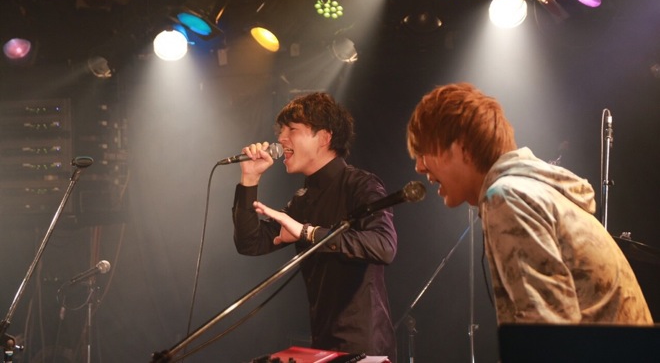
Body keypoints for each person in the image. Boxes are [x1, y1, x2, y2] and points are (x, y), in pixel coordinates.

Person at [406, 82, 653, 325]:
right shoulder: (531, 191)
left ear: (463, 148)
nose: (419, 167)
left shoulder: (508, 198)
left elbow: (547, 335)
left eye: (424, 152)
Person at [231, 92, 398, 360]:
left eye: (292, 129)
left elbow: (384, 246)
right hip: (323, 341)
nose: (281, 138)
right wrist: (249, 179)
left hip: (364, 346)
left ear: (324, 137)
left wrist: (306, 232)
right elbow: (250, 242)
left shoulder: (360, 184)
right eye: (281, 131)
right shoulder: (303, 200)